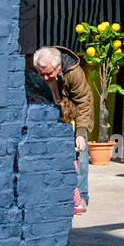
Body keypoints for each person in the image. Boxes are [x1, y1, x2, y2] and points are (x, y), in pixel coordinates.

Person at [32, 45, 94, 213]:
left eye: (49, 74)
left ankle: (81, 197)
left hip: (76, 113)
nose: (45, 77)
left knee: (79, 154)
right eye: (41, 73)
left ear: (58, 67)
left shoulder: (74, 73)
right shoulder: (40, 72)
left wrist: (80, 133)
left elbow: (83, 102)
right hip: (53, 113)